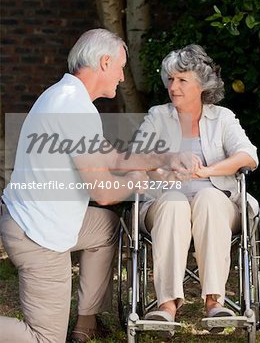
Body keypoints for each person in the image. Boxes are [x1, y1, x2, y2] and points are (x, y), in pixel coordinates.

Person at [0, 29, 191, 343]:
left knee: (106, 227)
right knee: (44, 338)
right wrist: (138, 181)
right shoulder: (74, 108)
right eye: (120, 67)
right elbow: (102, 192)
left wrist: (163, 157)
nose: (121, 76)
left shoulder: (64, 95)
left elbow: (111, 157)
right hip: (37, 234)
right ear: (104, 62)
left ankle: (86, 322)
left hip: (27, 217)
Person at [135, 44, 258, 324]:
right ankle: (166, 306)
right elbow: (137, 155)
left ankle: (215, 302)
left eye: (181, 80)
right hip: (165, 200)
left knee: (210, 199)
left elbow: (248, 156)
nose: (173, 87)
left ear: (201, 85)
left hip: (216, 202)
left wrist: (208, 172)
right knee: (175, 203)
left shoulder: (222, 117)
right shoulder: (157, 116)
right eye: (170, 79)